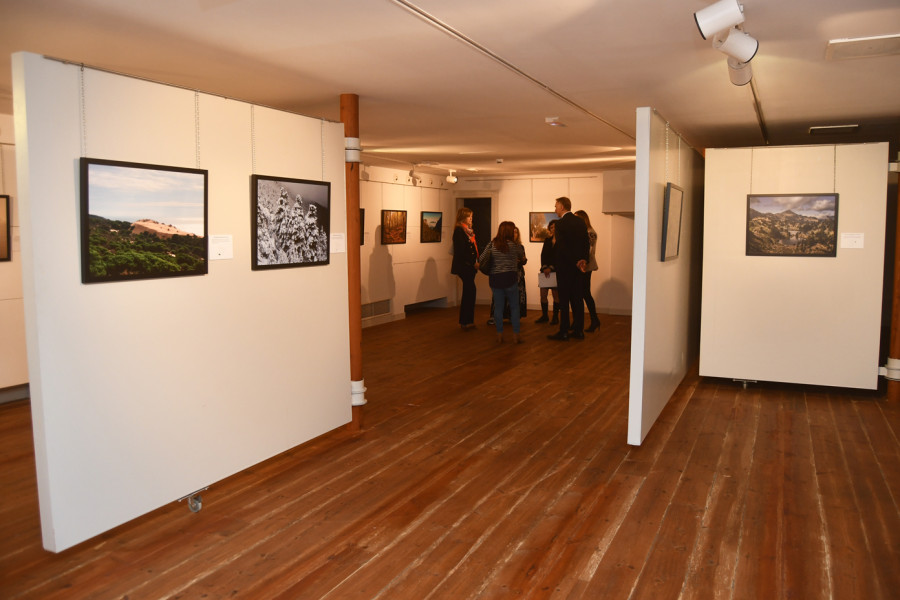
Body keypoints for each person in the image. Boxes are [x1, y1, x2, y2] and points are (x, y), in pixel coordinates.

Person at [548, 197, 589, 341]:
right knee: (577, 300)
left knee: (564, 300)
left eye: (556, 206)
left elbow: (563, 248)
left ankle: (564, 331)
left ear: (562, 207)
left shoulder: (560, 224)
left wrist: (575, 262)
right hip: (578, 269)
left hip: (565, 268)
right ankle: (579, 330)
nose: (555, 209)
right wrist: (582, 261)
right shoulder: (580, 222)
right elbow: (586, 243)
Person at [479, 221, 526, 343]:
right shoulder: (514, 245)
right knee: (515, 308)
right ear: (510, 231)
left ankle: (499, 335)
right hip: (511, 278)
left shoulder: (492, 244)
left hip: (496, 279)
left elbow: (482, 258)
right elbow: (523, 257)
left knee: (498, 308)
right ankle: (516, 335)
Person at [487, 226, 528, 325]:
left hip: (517, 275)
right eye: (513, 232)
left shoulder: (519, 246)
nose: (514, 234)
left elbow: (524, 260)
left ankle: (512, 316)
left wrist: (520, 260)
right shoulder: (499, 245)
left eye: (516, 232)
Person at [451, 207, 479, 330]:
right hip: (465, 267)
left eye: (471, 216)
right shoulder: (459, 231)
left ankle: (468, 320)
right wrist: (473, 262)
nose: (471, 218)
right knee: (470, 291)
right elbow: (462, 251)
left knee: (470, 292)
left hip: (469, 266)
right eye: (469, 216)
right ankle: (465, 321)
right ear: (463, 217)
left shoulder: (467, 231)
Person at [574, 210, 601, 332]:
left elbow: (589, 250)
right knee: (582, 293)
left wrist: (583, 263)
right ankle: (592, 320)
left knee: (585, 293)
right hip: (582, 265)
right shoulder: (584, 232)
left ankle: (594, 320)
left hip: (586, 266)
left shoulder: (590, 232)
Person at [535, 220, 560, 324]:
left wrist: (552, 268)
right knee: (543, 294)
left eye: (554, 227)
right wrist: (545, 267)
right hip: (545, 271)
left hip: (557, 271)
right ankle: (545, 316)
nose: (552, 229)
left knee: (556, 295)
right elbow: (543, 255)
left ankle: (555, 317)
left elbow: (560, 257)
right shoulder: (547, 240)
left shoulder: (562, 241)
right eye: (551, 227)